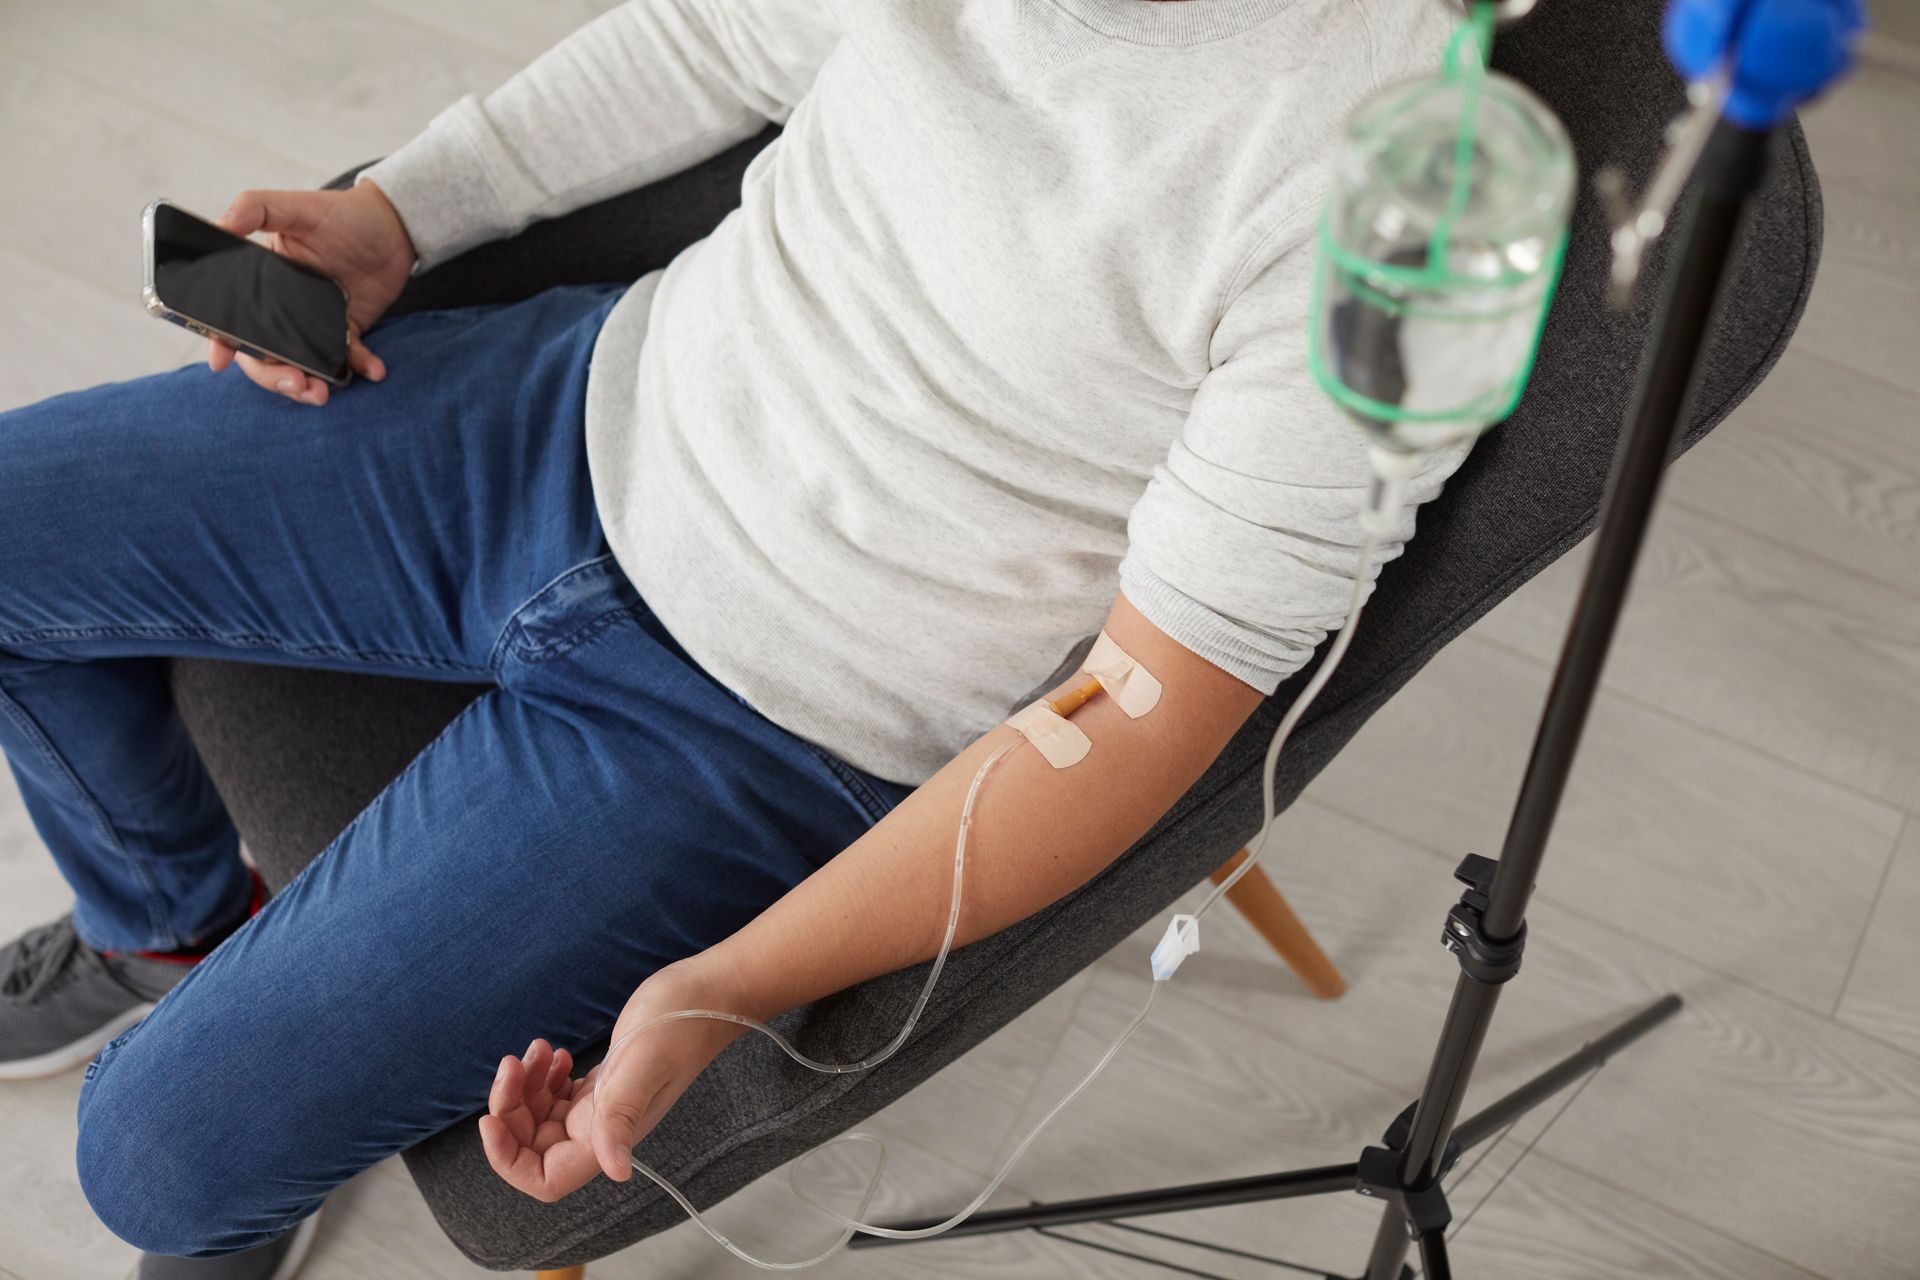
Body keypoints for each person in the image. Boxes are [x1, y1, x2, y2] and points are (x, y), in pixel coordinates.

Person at [0, 0, 1463, 1273]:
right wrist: (402, 208)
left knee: (156, 1168)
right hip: (572, 408)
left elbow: (1155, 703)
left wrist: (734, 982)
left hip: (767, 732)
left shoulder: (1401, 192)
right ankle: (167, 927)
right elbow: (715, 33)